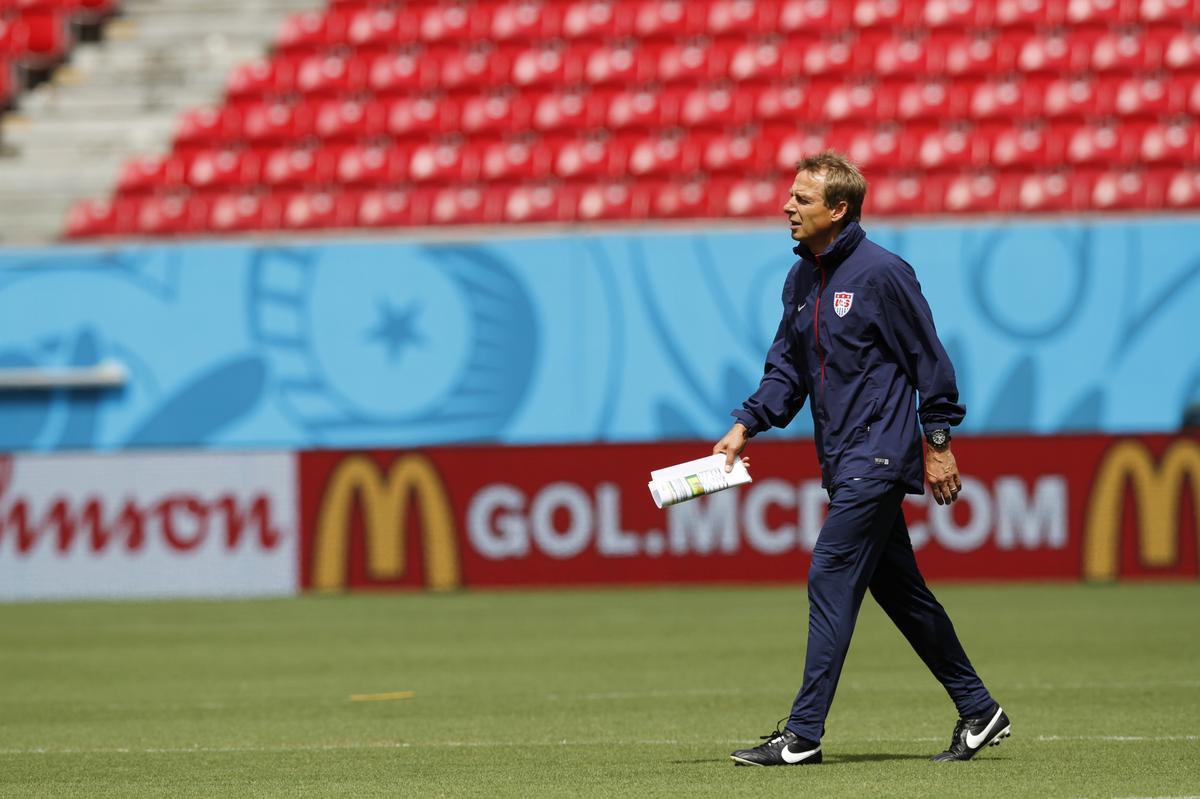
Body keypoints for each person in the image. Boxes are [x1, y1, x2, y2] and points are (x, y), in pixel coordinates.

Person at [713, 151, 1009, 766]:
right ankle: (979, 710)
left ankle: (803, 734)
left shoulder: (883, 274)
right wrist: (746, 424)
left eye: (802, 198)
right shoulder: (799, 279)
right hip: (843, 457)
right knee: (901, 592)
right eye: (790, 195)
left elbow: (932, 363)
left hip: (878, 456)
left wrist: (938, 444)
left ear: (838, 209)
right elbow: (786, 370)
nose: (786, 206)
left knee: (829, 573)